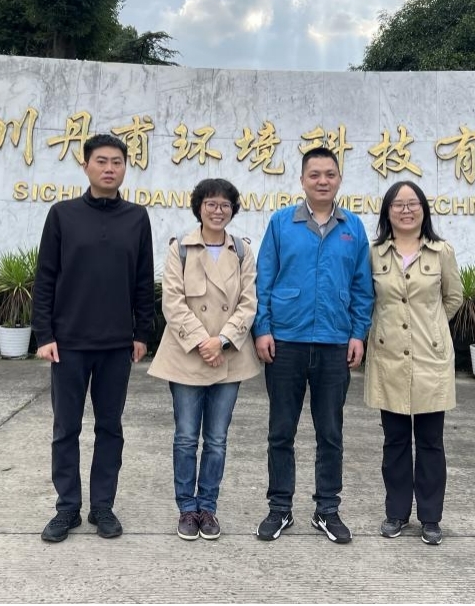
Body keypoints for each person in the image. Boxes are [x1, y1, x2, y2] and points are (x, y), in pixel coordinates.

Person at [32, 133, 155, 543]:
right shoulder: (62, 215)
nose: (109, 168)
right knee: (66, 428)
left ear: (125, 168)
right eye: (101, 161)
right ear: (85, 166)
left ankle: (102, 505)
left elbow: (143, 280)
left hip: (117, 345)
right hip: (68, 343)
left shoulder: (137, 218)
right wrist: (44, 334)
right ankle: (67, 507)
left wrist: (142, 333)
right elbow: (45, 278)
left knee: (110, 428)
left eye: (117, 162)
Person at [253, 146, 373, 544]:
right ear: (302, 180)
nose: (323, 181)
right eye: (315, 174)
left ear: (339, 179)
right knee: (280, 431)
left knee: (330, 433)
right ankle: (279, 508)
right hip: (285, 341)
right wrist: (262, 328)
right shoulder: (281, 223)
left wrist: (358, 334)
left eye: (330, 174)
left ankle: (327, 509)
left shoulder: (353, 227)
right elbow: (264, 279)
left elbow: (362, 287)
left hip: (334, 343)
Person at [148, 178, 260, 541]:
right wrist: (202, 342)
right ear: (199, 207)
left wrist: (222, 341)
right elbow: (173, 302)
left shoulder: (242, 251)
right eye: (211, 203)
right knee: (185, 437)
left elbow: (249, 302)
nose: (218, 210)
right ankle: (186, 508)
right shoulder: (180, 248)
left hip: (229, 356)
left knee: (216, 439)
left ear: (233, 210)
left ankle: (208, 507)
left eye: (225, 205)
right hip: (187, 356)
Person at [364, 180, 463, 546]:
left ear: (424, 209)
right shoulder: (375, 253)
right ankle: (396, 512)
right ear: (387, 212)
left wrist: (432, 328)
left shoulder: (441, 252)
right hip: (389, 357)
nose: (406, 210)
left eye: (413, 204)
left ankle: (431, 517)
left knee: (431, 441)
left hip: (430, 358)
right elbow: (367, 299)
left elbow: (453, 298)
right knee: (395, 441)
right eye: (398, 204)